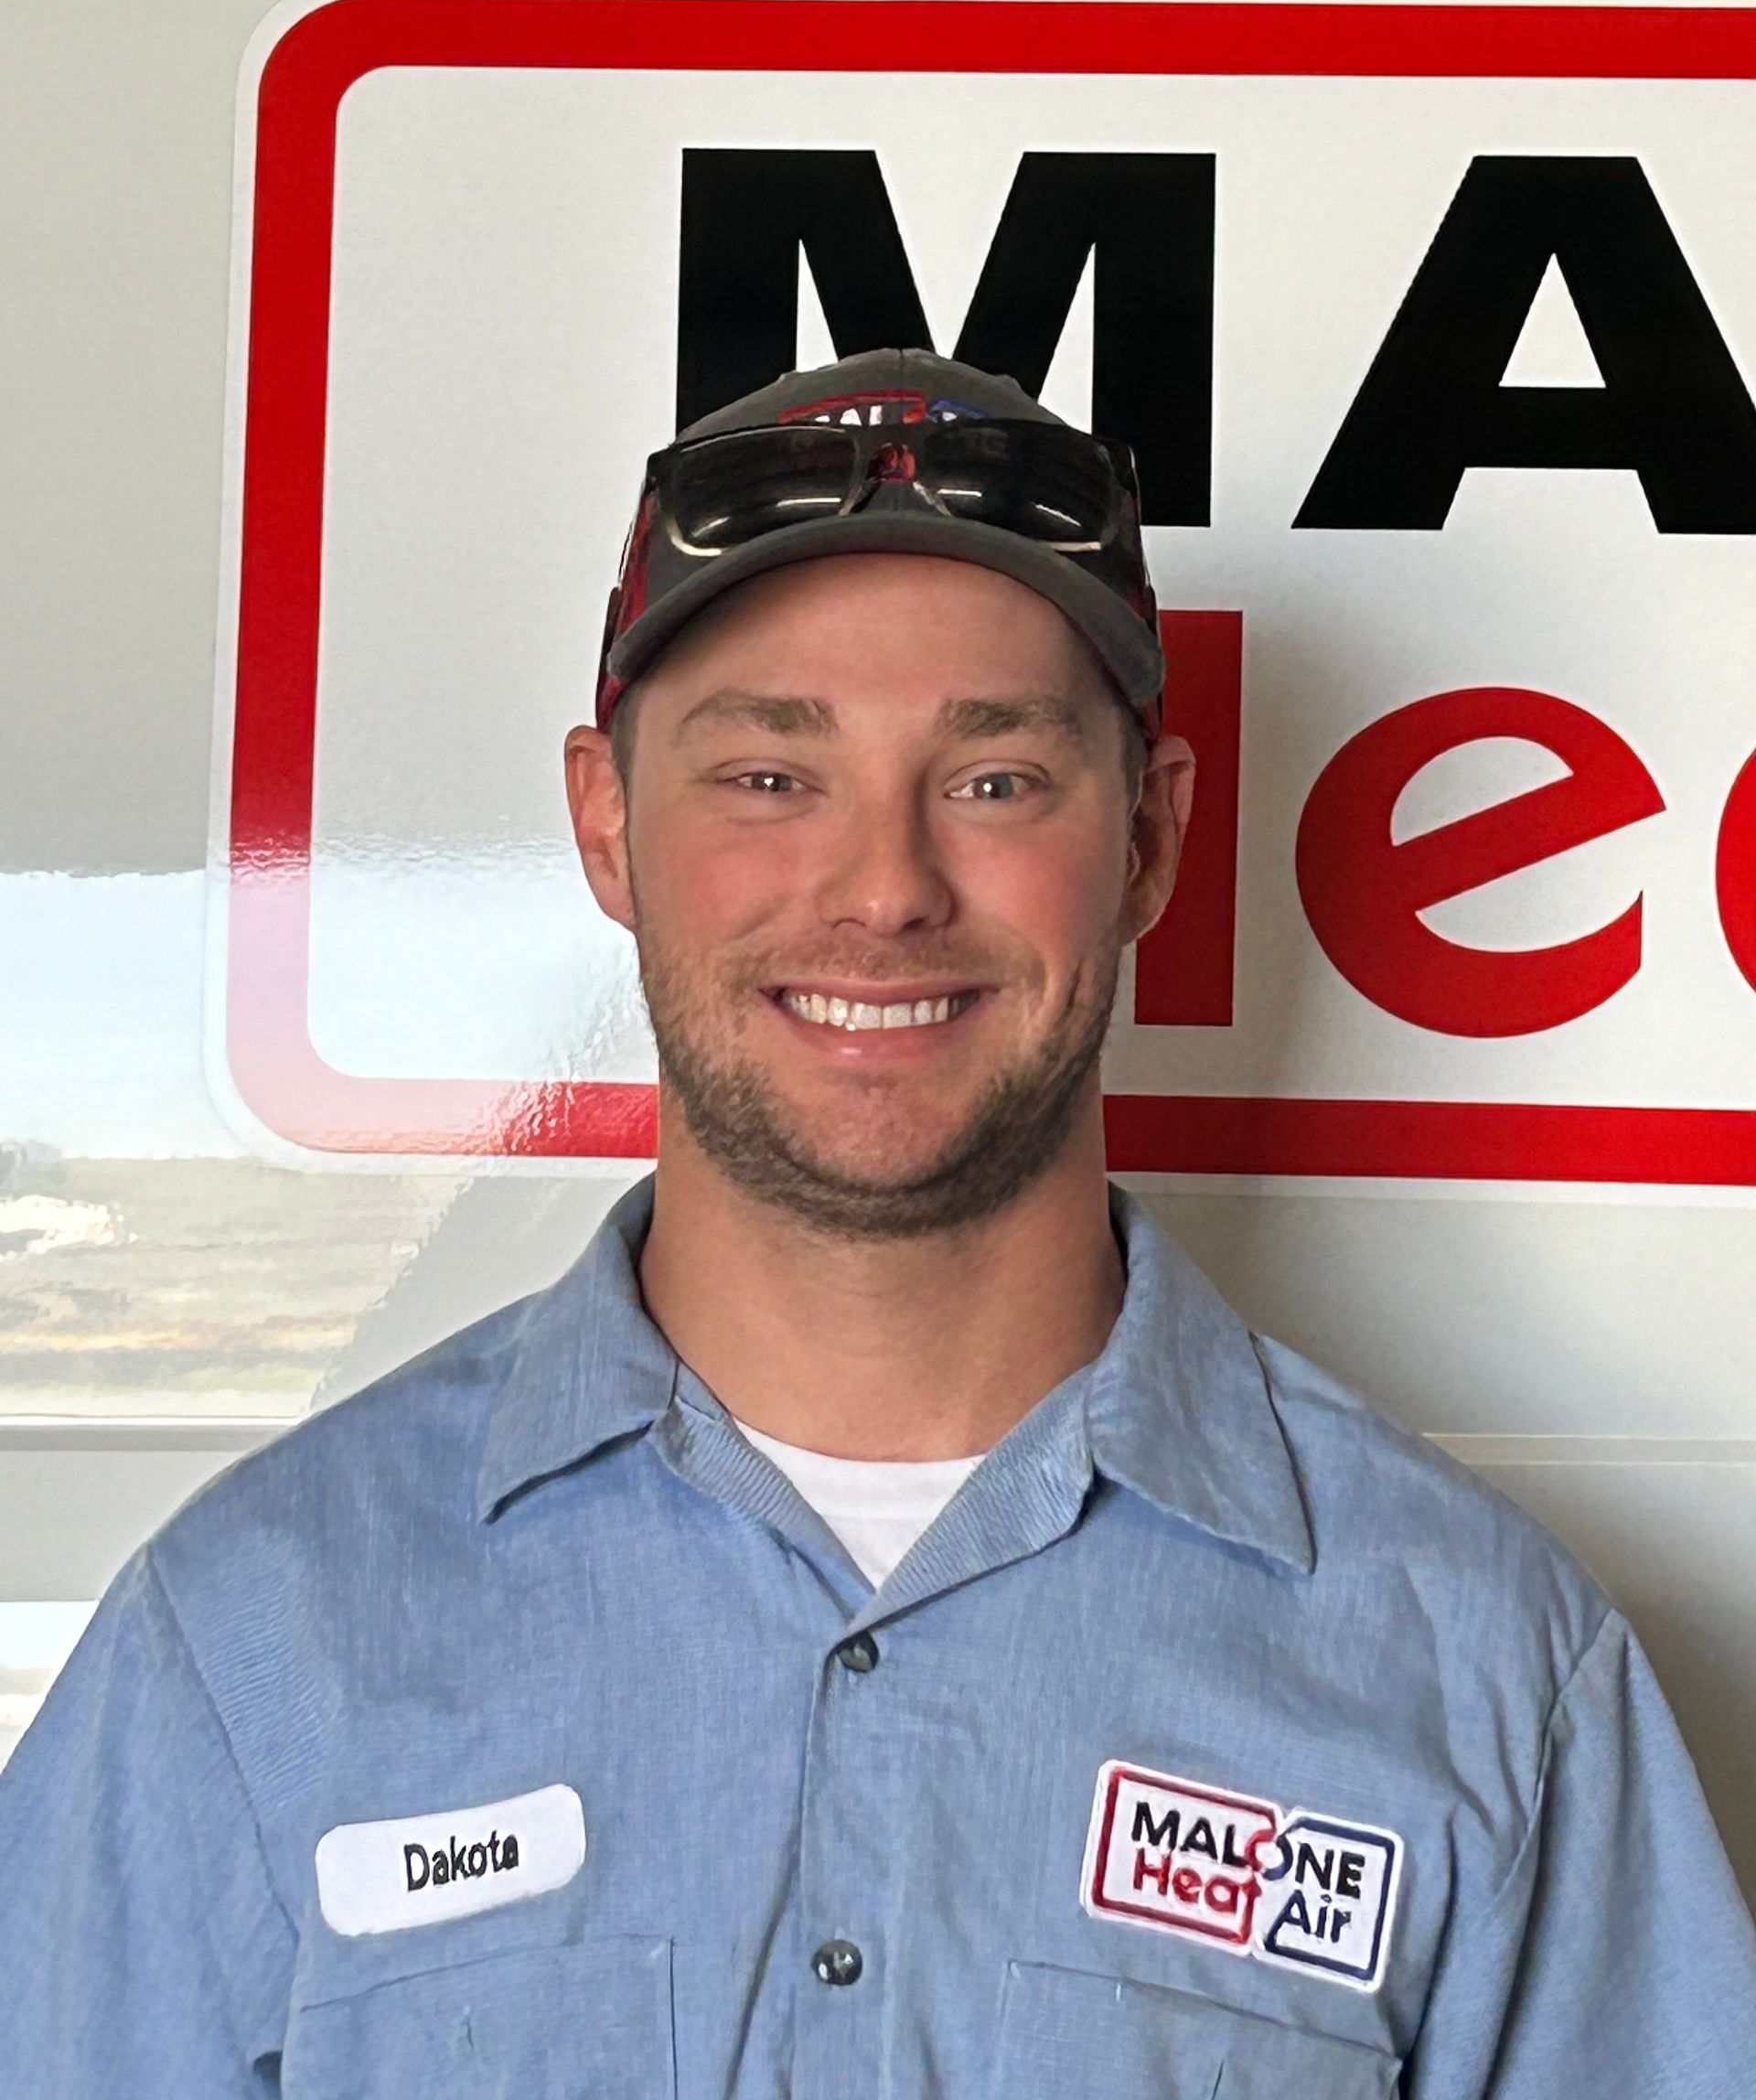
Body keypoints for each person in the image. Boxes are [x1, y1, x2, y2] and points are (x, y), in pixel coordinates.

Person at [2, 348, 1751, 2097]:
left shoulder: (1485, 1675)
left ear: (1150, 839)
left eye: (995, 781)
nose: (887, 889)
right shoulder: (253, 1642)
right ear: (607, 826)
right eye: (770, 776)